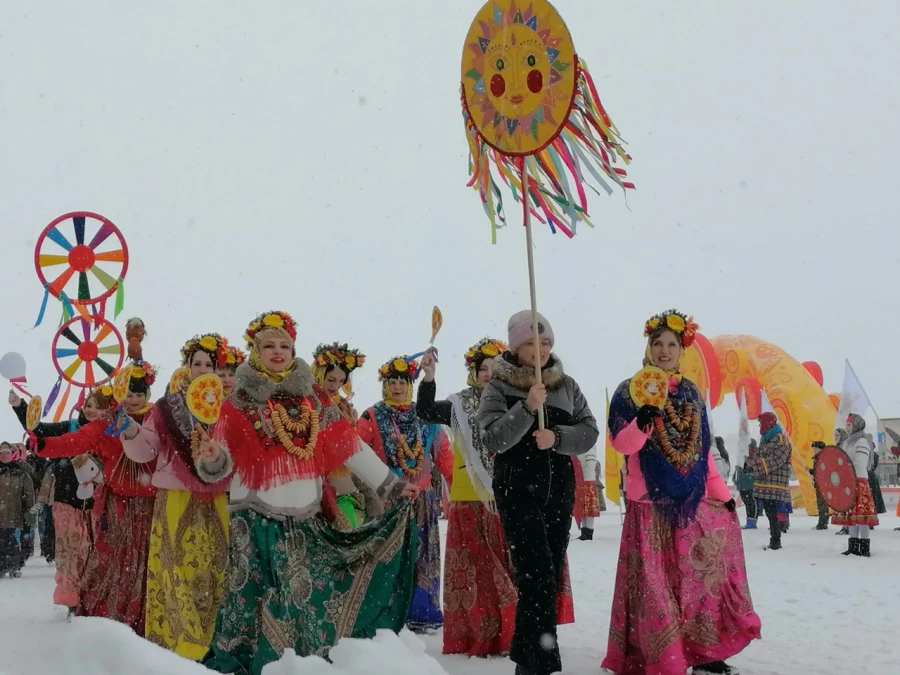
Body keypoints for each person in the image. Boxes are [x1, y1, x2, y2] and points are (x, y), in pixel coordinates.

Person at [199, 311, 421, 675]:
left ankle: (291, 665)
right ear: (254, 350)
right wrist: (212, 457)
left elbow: (349, 446)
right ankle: (251, 662)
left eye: (284, 345)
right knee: (250, 601)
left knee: (298, 599)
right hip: (253, 519)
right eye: (268, 345)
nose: (277, 351)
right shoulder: (237, 402)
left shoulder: (312, 399)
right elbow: (220, 463)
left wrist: (390, 483)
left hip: (304, 520)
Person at [604, 309, 760, 675]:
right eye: (657, 343)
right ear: (648, 347)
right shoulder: (630, 390)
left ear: (681, 350)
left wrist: (720, 492)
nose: (664, 350)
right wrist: (642, 423)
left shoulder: (690, 392)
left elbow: (701, 450)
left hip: (689, 503)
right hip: (648, 503)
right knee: (656, 587)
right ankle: (665, 656)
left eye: (671, 344)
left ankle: (704, 650)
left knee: (698, 582)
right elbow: (621, 444)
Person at [418, 337, 575, 657]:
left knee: (516, 571)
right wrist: (429, 378)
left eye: (493, 367)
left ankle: (517, 635)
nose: (487, 373)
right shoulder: (459, 406)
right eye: (481, 368)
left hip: (514, 497)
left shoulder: (520, 400)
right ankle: (481, 637)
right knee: (478, 576)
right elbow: (425, 410)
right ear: (473, 373)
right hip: (470, 498)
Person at [478, 310, 597, 675]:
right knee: (537, 572)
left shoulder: (567, 385)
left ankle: (525, 658)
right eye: (532, 342)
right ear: (516, 345)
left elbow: (589, 430)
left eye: (545, 342)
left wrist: (558, 437)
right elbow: (493, 438)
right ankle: (541, 662)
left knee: (548, 572)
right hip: (517, 489)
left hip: (558, 489)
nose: (541, 349)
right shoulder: (498, 388)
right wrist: (527, 408)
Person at [119, 337, 233, 659]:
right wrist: (130, 430)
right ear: (187, 367)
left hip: (218, 499)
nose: (202, 369)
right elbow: (146, 451)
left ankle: (214, 638)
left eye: (208, 365)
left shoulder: (228, 408)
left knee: (215, 568)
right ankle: (180, 643)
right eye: (196, 363)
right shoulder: (167, 408)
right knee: (175, 568)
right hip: (175, 498)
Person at [32, 375, 156, 631]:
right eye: (129, 394)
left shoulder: (156, 419)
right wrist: (42, 444)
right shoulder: (107, 423)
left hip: (150, 506)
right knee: (108, 557)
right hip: (117, 503)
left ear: (147, 395)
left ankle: (144, 615)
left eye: (139, 394)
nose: (133, 400)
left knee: (145, 561)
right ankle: (105, 614)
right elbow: (75, 441)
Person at [357, 354, 453, 633]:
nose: (397, 387)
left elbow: (444, 454)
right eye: (391, 382)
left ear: (410, 385)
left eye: (402, 381)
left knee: (422, 555)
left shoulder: (426, 415)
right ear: (384, 384)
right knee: (388, 556)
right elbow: (356, 451)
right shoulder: (371, 416)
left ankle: (421, 612)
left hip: (421, 500)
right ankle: (384, 611)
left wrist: (455, 485)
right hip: (385, 500)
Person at [8, 388, 104, 615]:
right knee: (70, 550)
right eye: (88, 405)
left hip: (97, 503)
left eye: (97, 406)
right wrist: (20, 406)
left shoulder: (108, 432)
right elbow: (38, 429)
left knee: (93, 551)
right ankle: (72, 600)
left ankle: (92, 597)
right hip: (65, 501)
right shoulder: (69, 427)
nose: (91, 410)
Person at [311, 342, 376, 530]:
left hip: (343, 487)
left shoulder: (344, 407)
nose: (336, 386)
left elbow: (353, 451)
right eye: (330, 379)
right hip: (314, 487)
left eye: (341, 381)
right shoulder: (306, 405)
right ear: (318, 374)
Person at [744, 412, 791, 551]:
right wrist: (748, 462)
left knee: (774, 512)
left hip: (775, 482)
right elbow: (759, 456)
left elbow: (776, 461)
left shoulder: (781, 440)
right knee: (770, 512)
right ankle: (774, 539)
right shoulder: (766, 439)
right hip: (765, 481)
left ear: (767, 423)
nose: (759, 426)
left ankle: (776, 541)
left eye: (761, 423)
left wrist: (755, 463)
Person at [832, 414, 878, 557]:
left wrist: (845, 466)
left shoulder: (863, 441)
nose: (847, 428)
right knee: (852, 516)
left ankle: (864, 548)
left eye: (849, 425)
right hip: (849, 482)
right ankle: (853, 547)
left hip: (859, 480)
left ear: (857, 425)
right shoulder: (847, 442)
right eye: (846, 425)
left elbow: (859, 463)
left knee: (862, 517)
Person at [0, 441, 35, 578]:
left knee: (12, 540)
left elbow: (28, 493)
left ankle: (14, 566)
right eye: (1, 453)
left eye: (7, 452)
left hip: (14, 512)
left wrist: (29, 511)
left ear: (12, 454)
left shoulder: (21, 472)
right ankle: (2, 566)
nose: (4, 455)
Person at [573, 445, 601, 540]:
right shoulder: (583, 446)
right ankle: (584, 531)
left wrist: (583, 476)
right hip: (581, 481)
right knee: (582, 508)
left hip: (587, 481)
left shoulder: (590, 447)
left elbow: (590, 466)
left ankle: (588, 532)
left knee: (588, 510)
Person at [734, 439, 758, 529]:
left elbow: (754, 469)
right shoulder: (743, 455)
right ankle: (750, 521)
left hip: (749, 483)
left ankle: (752, 521)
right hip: (744, 483)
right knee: (748, 502)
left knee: (751, 502)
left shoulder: (754, 456)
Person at [809, 439, 830, 530]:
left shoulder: (823, 458)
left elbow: (822, 471)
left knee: (822, 503)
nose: (813, 449)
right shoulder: (818, 457)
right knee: (820, 503)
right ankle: (822, 521)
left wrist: (812, 471)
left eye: (815, 447)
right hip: (819, 483)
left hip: (823, 484)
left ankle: (823, 522)